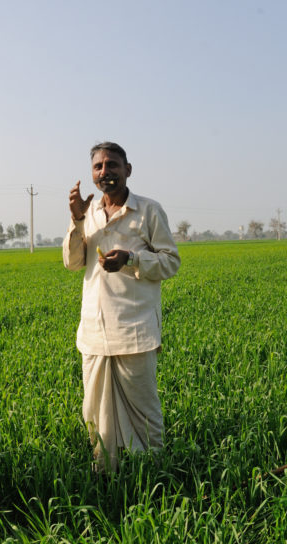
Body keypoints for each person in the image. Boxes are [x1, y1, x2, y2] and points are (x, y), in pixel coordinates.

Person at [63, 141, 180, 470]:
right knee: (94, 412)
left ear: (127, 170)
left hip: (134, 330)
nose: (105, 172)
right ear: (92, 175)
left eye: (112, 165)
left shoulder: (149, 211)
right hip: (94, 332)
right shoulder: (88, 215)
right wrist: (76, 220)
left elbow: (170, 263)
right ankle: (107, 475)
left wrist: (130, 258)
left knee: (144, 412)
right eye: (98, 167)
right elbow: (73, 263)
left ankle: (152, 476)